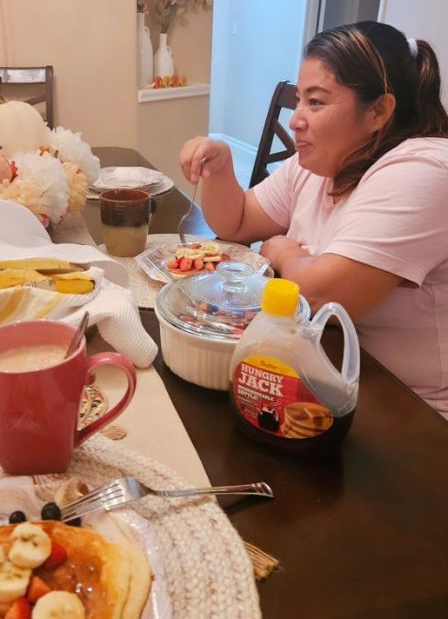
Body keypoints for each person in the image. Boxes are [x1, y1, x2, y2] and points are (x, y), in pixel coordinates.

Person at [179, 21, 448, 419]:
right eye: (299, 101)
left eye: (316, 102)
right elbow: (237, 223)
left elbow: (326, 294)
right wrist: (220, 168)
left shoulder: (423, 170)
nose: (295, 119)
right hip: (328, 372)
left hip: (411, 412)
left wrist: (282, 250)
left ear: (378, 111)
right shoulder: (321, 163)